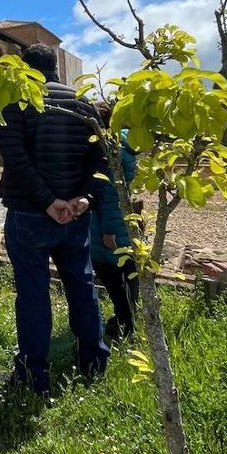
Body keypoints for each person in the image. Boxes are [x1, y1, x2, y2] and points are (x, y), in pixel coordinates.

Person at [0, 42, 110, 395]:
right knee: (82, 286)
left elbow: (14, 157)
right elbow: (102, 160)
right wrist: (85, 199)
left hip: (30, 215)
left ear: (26, 70)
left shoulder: (16, 103)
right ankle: (93, 362)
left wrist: (48, 202)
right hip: (74, 218)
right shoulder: (83, 105)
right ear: (56, 68)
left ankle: (33, 375)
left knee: (33, 295)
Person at [88, 101, 139, 341]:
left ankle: (125, 324)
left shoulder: (108, 149)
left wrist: (108, 231)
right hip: (122, 219)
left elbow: (108, 195)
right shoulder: (125, 144)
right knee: (127, 272)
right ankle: (128, 319)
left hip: (107, 226)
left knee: (113, 276)